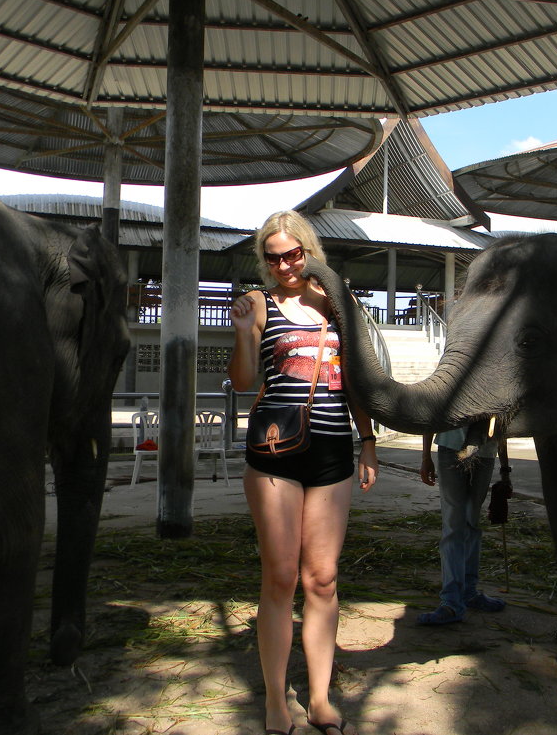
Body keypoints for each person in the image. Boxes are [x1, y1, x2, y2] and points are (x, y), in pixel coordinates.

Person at [228, 210, 378, 735]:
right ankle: (275, 699)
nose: (285, 265)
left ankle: (318, 697)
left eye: (293, 254)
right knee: (281, 576)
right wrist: (245, 333)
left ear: (309, 251)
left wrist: (369, 442)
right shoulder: (258, 303)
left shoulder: (338, 302)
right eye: (273, 257)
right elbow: (246, 382)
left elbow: (355, 379)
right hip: (275, 452)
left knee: (323, 579)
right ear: (263, 259)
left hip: (333, 447)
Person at [417, 428, 509, 625]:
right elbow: (432, 413)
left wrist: (505, 468)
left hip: (485, 451)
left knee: (472, 523)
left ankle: (468, 592)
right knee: (454, 524)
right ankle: (451, 601)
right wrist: (426, 457)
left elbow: (503, 419)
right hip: (451, 447)